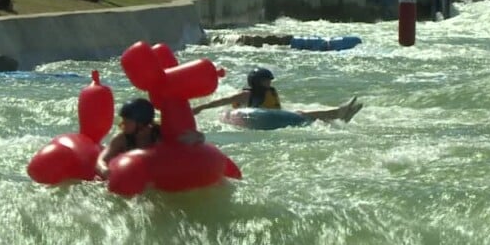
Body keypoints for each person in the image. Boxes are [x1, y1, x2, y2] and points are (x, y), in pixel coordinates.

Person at [193, 67, 363, 122]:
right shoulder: (245, 95)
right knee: (302, 115)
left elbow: (277, 110)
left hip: (273, 117)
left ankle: (340, 114)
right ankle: (338, 113)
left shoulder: (270, 92)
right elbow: (222, 101)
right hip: (253, 120)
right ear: (256, 82)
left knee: (302, 114)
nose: (269, 84)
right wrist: (200, 108)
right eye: (265, 81)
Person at [95, 98, 205, 178]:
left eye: (126, 121)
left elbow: (194, 139)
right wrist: (105, 171)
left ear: (141, 124)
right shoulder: (122, 139)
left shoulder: (161, 134)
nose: (122, 124)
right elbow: (101, 160)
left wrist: (199, 138)